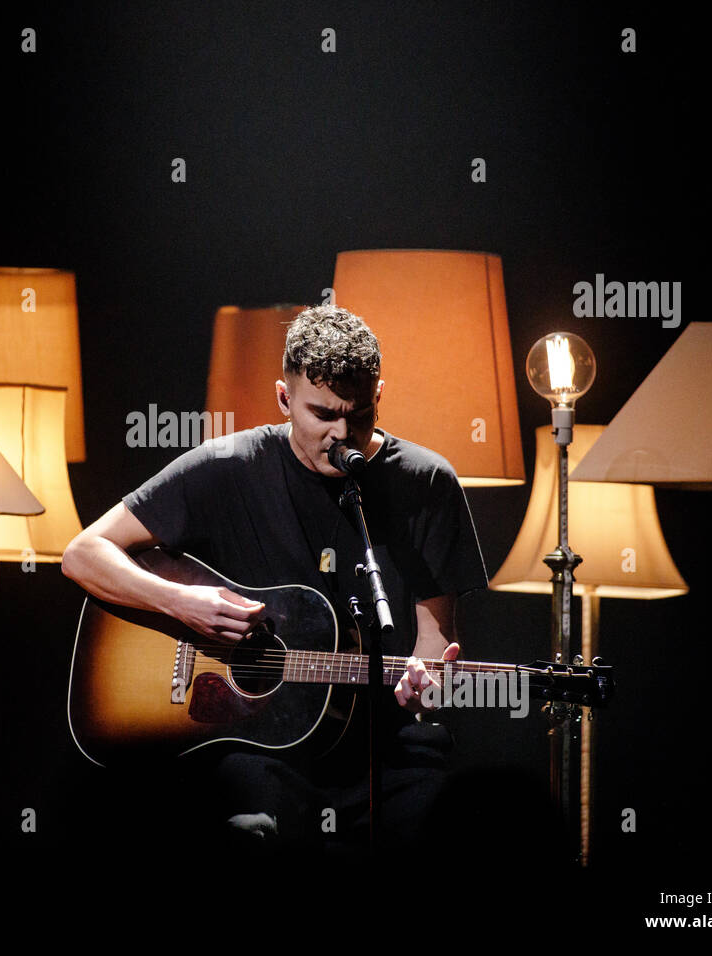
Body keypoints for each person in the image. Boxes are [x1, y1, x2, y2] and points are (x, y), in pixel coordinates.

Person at [62, 305, 488, 856]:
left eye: (358, 414)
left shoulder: (426, 482)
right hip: (260, 747)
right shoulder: (226, 466)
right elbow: (82, 553)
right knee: (249, 831)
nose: (342, 434)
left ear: (379, 394)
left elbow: (434, 644)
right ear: (284, 399)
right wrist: (179, 602)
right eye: (322, 414)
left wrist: (423, 685)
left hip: (387, 750)